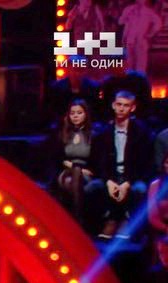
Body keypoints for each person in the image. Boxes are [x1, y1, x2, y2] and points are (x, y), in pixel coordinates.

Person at [86, 90, 153, 239]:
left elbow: (144, 163)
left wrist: (127, 183)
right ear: (113, 105)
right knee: (93, 187)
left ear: (132, 108)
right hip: (110, 175)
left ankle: (126, 221)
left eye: (126, 105)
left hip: (132, 176)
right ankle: (108, 220)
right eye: (119, 104)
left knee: (140, 189)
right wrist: (109, 181)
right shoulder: (103, 133)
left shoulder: (142, 132)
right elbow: (99, 163)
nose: (121, 108)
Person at [53, 99, 95, 220]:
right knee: (75, 171)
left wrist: (83, 170)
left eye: (79, 113)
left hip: (86, 173)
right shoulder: (63, 133)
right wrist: (74, 167)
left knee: (71, 181)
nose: (75, 116)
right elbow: (57, 158)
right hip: (66, 170)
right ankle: (78, 218)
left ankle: (72, 218)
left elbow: (97, 159)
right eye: (72, 113)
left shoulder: (93, 135)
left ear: (86, 114)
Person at [118, 0, 162, 73]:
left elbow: (158, 23)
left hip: (141, 41)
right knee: (129, 63)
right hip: (130, 40)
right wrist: (126, 15)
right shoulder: (129, 9)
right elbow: (120, 22)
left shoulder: (148, 12)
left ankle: (139, 78)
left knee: (141, 64)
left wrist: (150, 34)